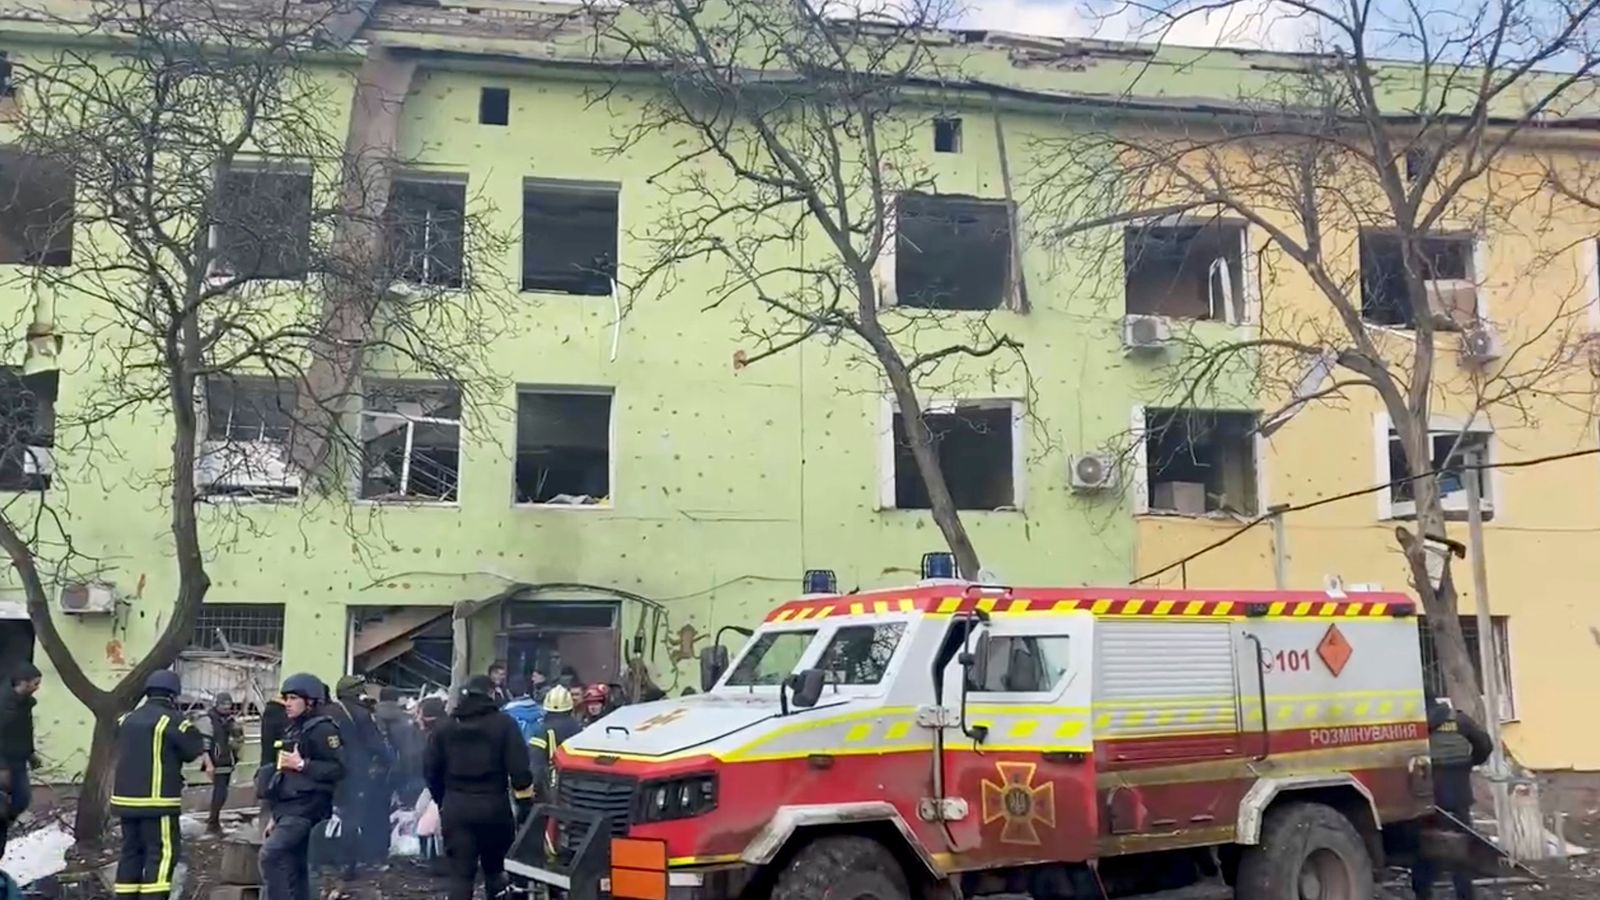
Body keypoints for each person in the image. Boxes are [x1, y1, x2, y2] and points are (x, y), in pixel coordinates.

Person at [425, 676, 534, 900]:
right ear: (491, 694)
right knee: (495, 872)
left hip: (456, 808)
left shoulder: (444, 727)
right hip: (494, 808)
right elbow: (520, 771)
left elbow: (430, 770)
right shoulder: (504, 724)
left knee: (461, 876)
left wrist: (442, 800)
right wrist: (524, 804)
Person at [111, 670, 207, 899]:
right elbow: (192, 749)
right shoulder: (172, 720)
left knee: (130, 852)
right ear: (173, 695)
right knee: (161, 854)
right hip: (157, 801)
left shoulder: (126, 719)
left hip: (125, 801)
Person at [260, 673, 346, 900]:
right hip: (287, 808)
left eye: (293, 698)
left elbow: (338, 769)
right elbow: (283, 773)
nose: (287, 703)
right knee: (295, 865)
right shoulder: (293, 728)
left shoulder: (323, 729)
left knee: (272, 855)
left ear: (310, 701)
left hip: (307, 808)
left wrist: (302, 764)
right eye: (286, 698)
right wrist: (274, 815)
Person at [1411, 697, 1494, 900]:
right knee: (1461, 850)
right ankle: (1464, 895)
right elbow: (1485, 745)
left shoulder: (1414, 724)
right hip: (1459, 794)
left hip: (1427, 796)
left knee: (1424, 848)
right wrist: (1469, 763)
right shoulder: (1459, 721)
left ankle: (1423, 894)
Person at [328, 674, 393, 876]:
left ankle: (328, 859)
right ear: (355, 691)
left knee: (333, 815)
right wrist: (387, 761)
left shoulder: (329, 711)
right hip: (356, 773)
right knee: (354, 817)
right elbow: (377, 746)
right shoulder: (361, 714)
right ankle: (348, 864)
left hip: (331, 770)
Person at [0, 662, 42, 861]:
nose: (38, 687)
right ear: (23, 683)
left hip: (18, 759)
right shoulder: (4, 704)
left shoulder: (23, 704)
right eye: (35, 683)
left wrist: (31, 754)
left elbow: (24, 733)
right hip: (5, 763)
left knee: (22, 799)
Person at [199, 692, 245, 835]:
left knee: (223, 792)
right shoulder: (209, 720)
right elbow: (204, 743)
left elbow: (238, 741)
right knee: (219, 792)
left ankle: (214, 821)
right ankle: (213, 823)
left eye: (228, 705)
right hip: (216, 759)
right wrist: (208, 763)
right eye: (223, 705)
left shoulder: (230, 721)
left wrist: (237, 736)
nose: (226, 708)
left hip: (227, 759)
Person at [528, 685, 582, 803]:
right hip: (575, 789)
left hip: (550, 791)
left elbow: (536, 766)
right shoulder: (579, 728)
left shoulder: (542, 731)